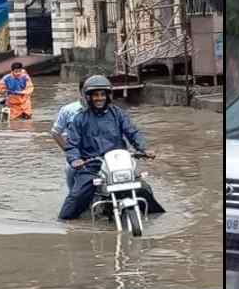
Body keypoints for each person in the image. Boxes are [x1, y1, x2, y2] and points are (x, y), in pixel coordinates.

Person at [58, 75, 164, 220]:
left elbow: (132, 132)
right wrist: (75, 159)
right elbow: (72, 144)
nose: (99, 98)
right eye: (95, 95)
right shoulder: (79, 119)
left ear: (108, 96)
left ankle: (156, 221)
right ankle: (65, 225)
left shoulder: (118, 114)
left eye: (102, 94)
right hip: (92, 165)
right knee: (76, 197)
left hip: (119, 164)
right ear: (88, 97)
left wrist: (144, 149)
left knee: (144, 189)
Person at [51, 76, 89, 191]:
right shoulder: (69, 110)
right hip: (78, 155)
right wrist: (71, 154)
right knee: (70, 170)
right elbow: (56, 133)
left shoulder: (110, 110)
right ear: (81, 92)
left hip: (103, 154)